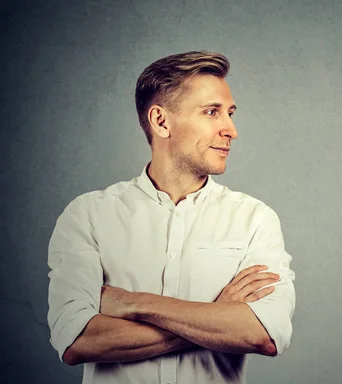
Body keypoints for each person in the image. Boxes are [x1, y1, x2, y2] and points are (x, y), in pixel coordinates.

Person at [47, 51, 296, 384]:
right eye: (212, 112)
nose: (231, 130)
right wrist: (217, 314)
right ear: (161, 121)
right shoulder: (89, 215)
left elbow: (264, 334)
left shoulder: (255, 219)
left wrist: (133, 303)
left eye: (230, 113)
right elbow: (77, 341)